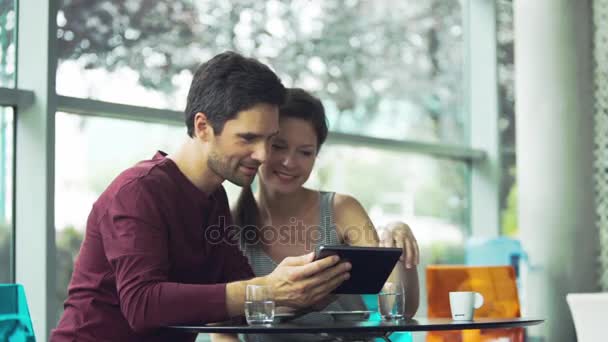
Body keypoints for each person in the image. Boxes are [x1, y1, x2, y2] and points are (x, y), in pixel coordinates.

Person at [50, 53, 351, 342]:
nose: (262, 155)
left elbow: (240, 301)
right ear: (203, 127)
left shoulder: (214, 198)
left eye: (269, 140)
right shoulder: (139, 191)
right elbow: (142, 304)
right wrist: (267, 289)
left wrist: (305, 291)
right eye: (248, 138)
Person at [211, 88, 420, 342]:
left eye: (305, 152)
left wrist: (400, 246)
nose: (290, 162)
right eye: (279, 146)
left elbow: (402, 309)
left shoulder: (341, 210)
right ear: (260, 146)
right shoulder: (228, 224)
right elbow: (221, 331)